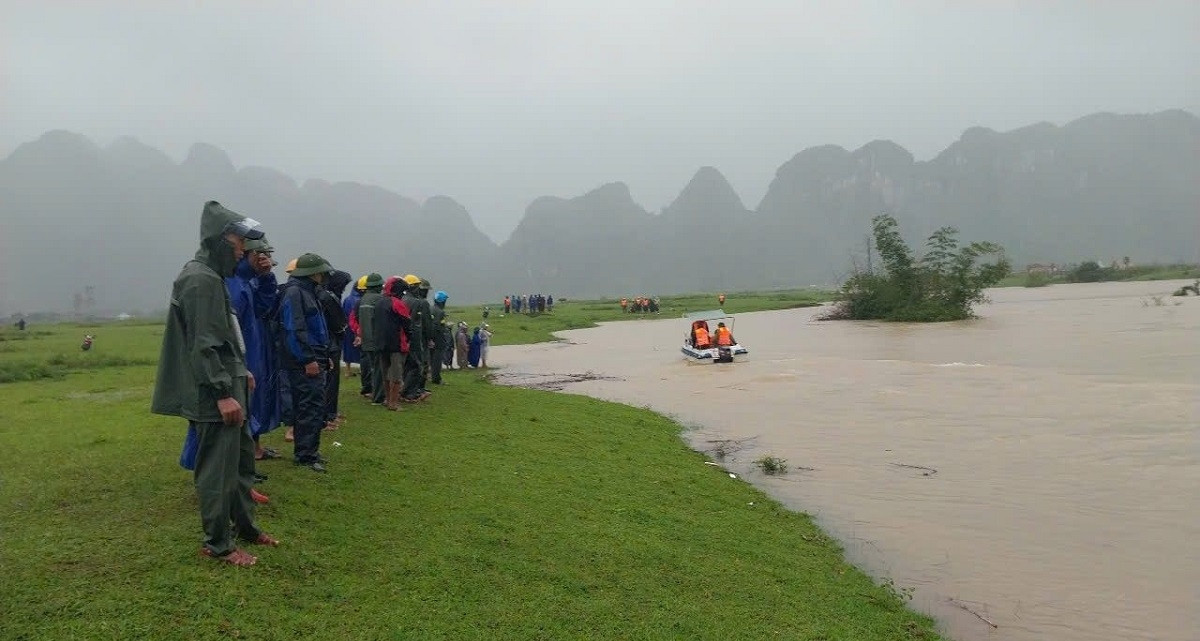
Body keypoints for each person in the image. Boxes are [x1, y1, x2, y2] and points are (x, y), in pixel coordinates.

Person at [151, 201, 277, 566]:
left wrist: (241, 370)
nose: (243, 250)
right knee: (217, 470)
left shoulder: (212, 277)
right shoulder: (200, 280)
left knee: (240, 465)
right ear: (222, 240)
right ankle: (218, 544)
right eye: (239, 243)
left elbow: (225, 335)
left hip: (230, 381)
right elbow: (203, 344)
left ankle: (247, 529)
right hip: (212, 393)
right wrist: (223, 392)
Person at [224, 237, 281, 468]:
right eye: (261, 254)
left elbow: (263, 306)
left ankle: (252, 452)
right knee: (244, 405)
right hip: (243, 354)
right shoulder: (233, 282)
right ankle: (241, 463)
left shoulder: (249, 281)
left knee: (254, 403)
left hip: (256, 349)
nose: (265, 259)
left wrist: (267, 278)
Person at [278, 253, 334, 473]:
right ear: (314, 273)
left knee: (314, 405)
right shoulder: (295, 293)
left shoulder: (307, 292)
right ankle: (305, 455)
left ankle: (310, 450)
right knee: (308, 406)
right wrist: (308, 359)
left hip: (315, 356)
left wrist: (322, 355)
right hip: (303, 362)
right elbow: (295, 329)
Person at [317, 270, 351, 430]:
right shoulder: (329, 297)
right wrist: (342, 330)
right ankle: (327, 416)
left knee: (330, 382)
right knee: (330, 382)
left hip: (329, 342)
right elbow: (338, 323)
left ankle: (330, 414)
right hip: (331, 344)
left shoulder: (324, 295)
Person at [373, 276, 412, 411]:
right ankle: (393, 403)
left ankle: (387, 399)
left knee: (385, 374)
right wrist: (409, 339)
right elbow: (407, 324)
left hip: (381, 344)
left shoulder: (378, 303)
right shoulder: (398, 304)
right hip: (396, 345)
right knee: (396, 375)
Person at [349, 273, 385, 404]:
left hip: (365, 340)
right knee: (379, 369)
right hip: (376, 340)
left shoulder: (362, 300)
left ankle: (371, 391)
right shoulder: (379, 299)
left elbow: (356, 319)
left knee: (371, 368)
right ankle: (379, 397)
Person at [400, 275, 431, 402]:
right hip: (414, 338)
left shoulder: (402, 299)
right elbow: (416, 322)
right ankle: (410, 393)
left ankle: (407, 390)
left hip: (405, 338)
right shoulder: (417, 302)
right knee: (416, 365)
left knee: (408, 365)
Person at [342, 277, 365, 379]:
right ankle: (362, 369)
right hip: (357, 327)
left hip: (347, 327)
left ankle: (347, 371)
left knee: (347, 349)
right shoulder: (360, 300)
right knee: (360, 349)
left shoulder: (347, 299)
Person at [430, 290, 450, 385]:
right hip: (438, 340)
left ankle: (430, 377)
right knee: (437, 361)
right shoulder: (441, 312)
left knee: (431, 360)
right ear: (442, 302)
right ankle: (436, 379)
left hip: (431, 339)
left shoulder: (430, 308)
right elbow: (439, 327)